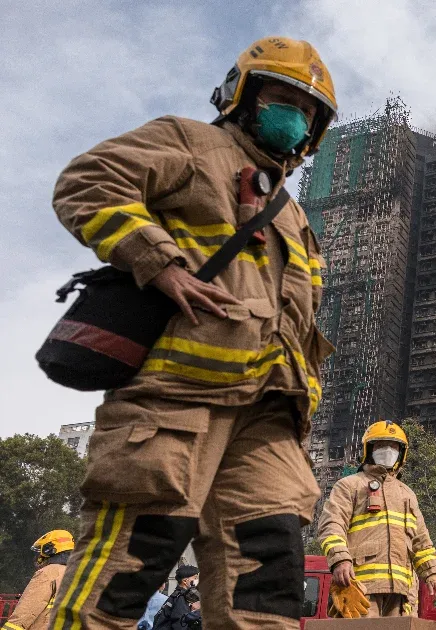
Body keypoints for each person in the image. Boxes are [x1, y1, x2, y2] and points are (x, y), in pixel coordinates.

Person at [49, 36, 337, 630]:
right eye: (283, 100)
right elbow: (88, 180)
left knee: (269, 578)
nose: (295, 118)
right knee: (130, 565)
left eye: (308, 112)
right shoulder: (192, 144)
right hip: (179, 401)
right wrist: (159, 261)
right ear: (242, 96)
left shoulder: (292, 213)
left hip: (269, 418)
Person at [317, 421, 436, 616]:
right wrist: (340, 559)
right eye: (381, 445)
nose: (387, 450)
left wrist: (432, 573)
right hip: (361, 587)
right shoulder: (349, 485)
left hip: (402, 592)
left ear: (401, 453)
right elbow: (331, 525)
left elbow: (421, 541)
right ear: (369, 450)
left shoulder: (407, 494)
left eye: (393, 446)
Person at [4, 530, 73, 630]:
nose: (38, 557)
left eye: (40, 552)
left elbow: (25, 613)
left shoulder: (48, 573)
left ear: (49, 550)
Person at [152, 566, 200, 630]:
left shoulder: (177, 595)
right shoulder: (181, 597)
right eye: (195, 578)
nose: (197, 580)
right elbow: (180, 624)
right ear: (185, 581)